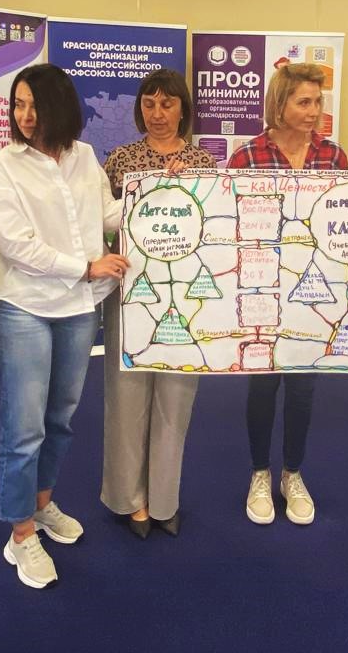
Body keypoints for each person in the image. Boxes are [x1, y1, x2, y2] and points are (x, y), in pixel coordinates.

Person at [0, 63, 128, 589]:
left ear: (60, 107)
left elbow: (108, 216)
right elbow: (14, 244)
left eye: (35, 105)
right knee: (24, 428)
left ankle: (41, 504)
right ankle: (20, 532)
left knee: (61, 418)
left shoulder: (85, 156)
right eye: (18, 104)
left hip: (77, 308)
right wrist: (85, 266)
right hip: (24, 305)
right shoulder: (4, 164)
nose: (25, 115)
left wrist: (162, 196)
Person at [227, 62, 348, 527]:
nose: (314, 111)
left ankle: (292, 474)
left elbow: (342, 222)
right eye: (304, 102)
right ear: (279, 104)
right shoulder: (247, 155)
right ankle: (260, 473)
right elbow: (230, 223)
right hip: (262, 287)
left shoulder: (333, 156)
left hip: (313, 292)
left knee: (303, 386)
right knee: (262, 383)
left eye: (318, 102)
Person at [101, 69, 215, 539]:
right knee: (126, 396)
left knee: (175, 398)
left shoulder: (204, 163)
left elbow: (216, 231)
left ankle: (164, 498)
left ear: (183, 108)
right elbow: (102, 225)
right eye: (149, 104)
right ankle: (130, 499)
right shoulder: (121, 161)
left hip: (184, 296)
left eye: (167, 104)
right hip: (130, 292)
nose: (158, 113)